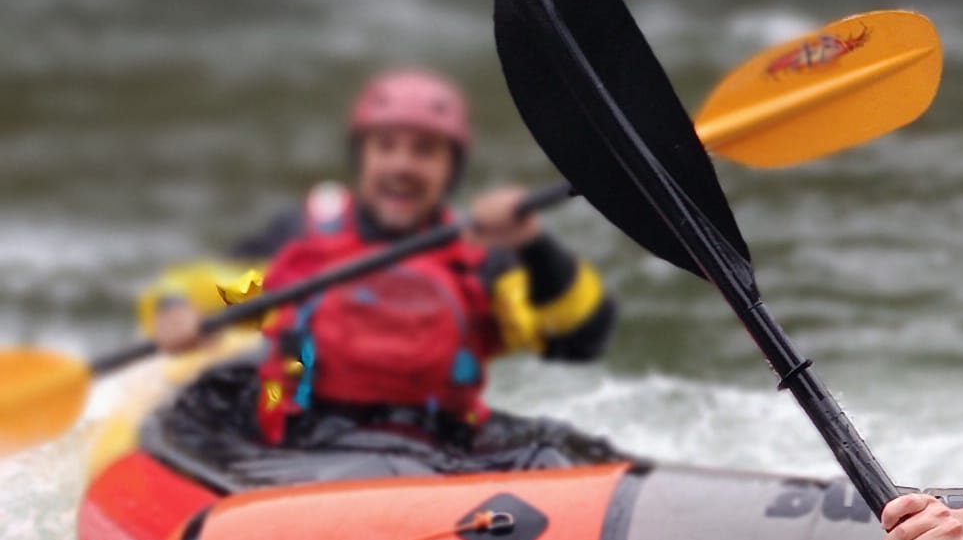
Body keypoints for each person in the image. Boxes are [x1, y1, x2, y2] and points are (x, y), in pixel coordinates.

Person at [140, 66, 615, 460]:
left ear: (452, 168)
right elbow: (201, 288)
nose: (401, 166)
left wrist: (533, 243)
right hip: (300, 447)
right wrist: (174, 311)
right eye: (386, 147)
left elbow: (579, 336)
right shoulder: (299, 243)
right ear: (361, 156)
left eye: (425, 151)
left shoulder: (484, 262)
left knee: (568, 451)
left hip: (432, 450)